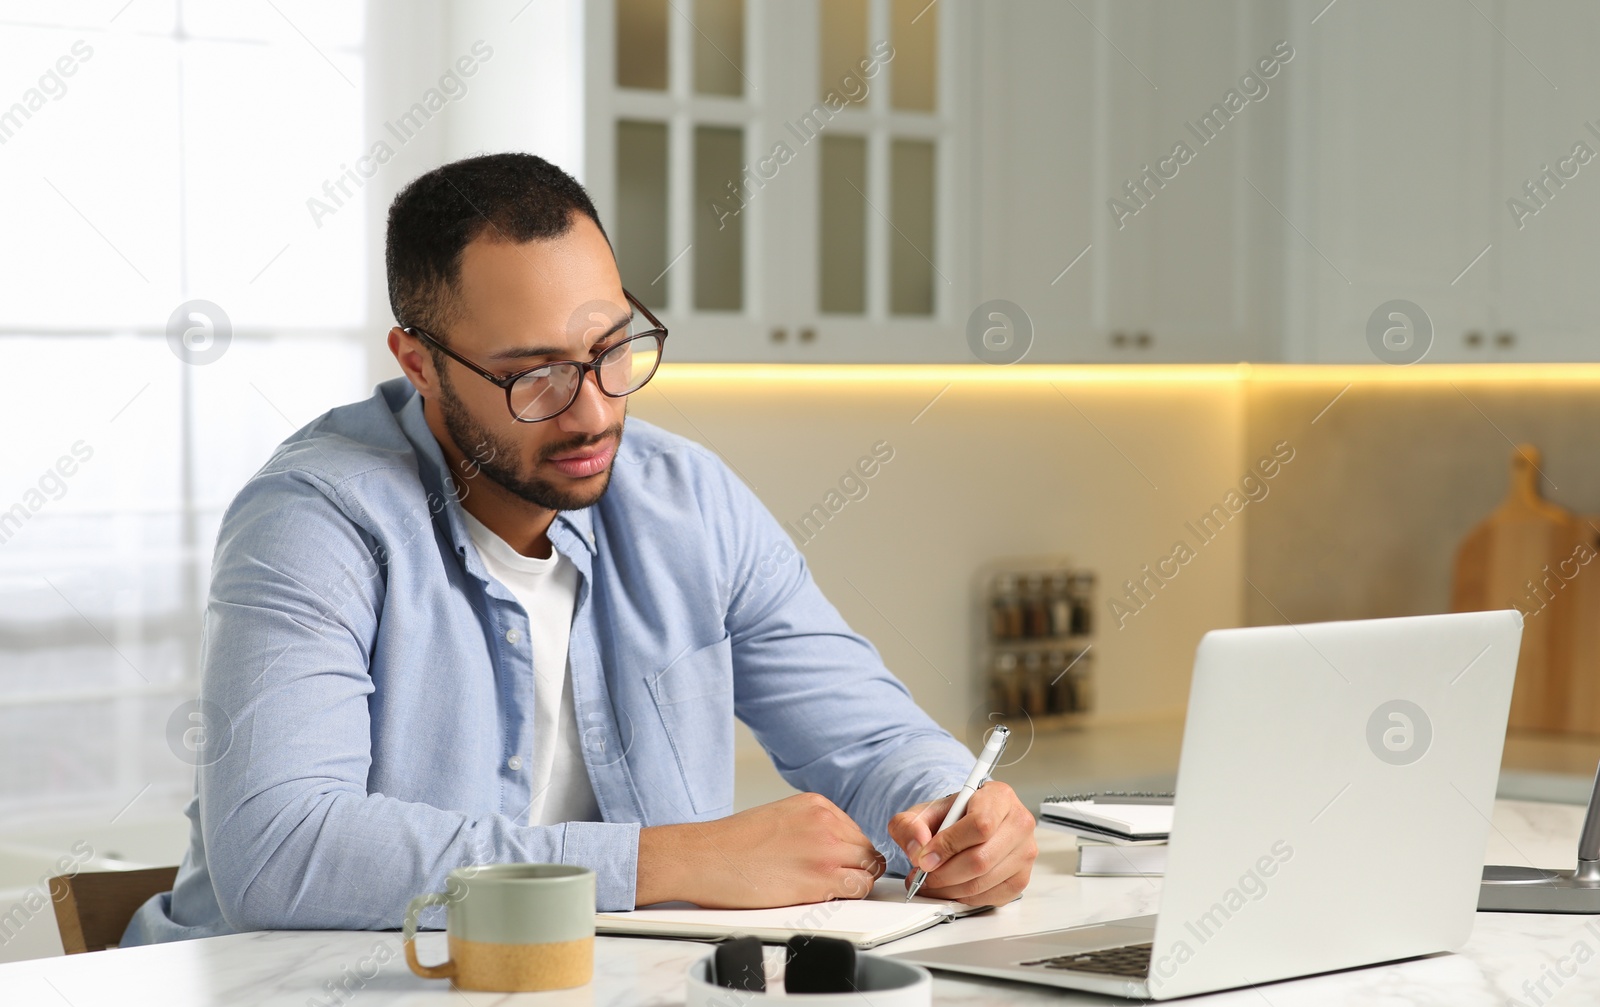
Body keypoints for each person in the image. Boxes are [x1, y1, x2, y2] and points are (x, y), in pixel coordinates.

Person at [123, 153, 1036, 945]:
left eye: (611, 349)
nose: (596, 411)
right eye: (533, 376)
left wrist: (957, 810)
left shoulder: (691, 502)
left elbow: (869, 739)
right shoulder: (314, 519)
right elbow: (282, 852)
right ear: (418, 363)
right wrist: (671, 859)